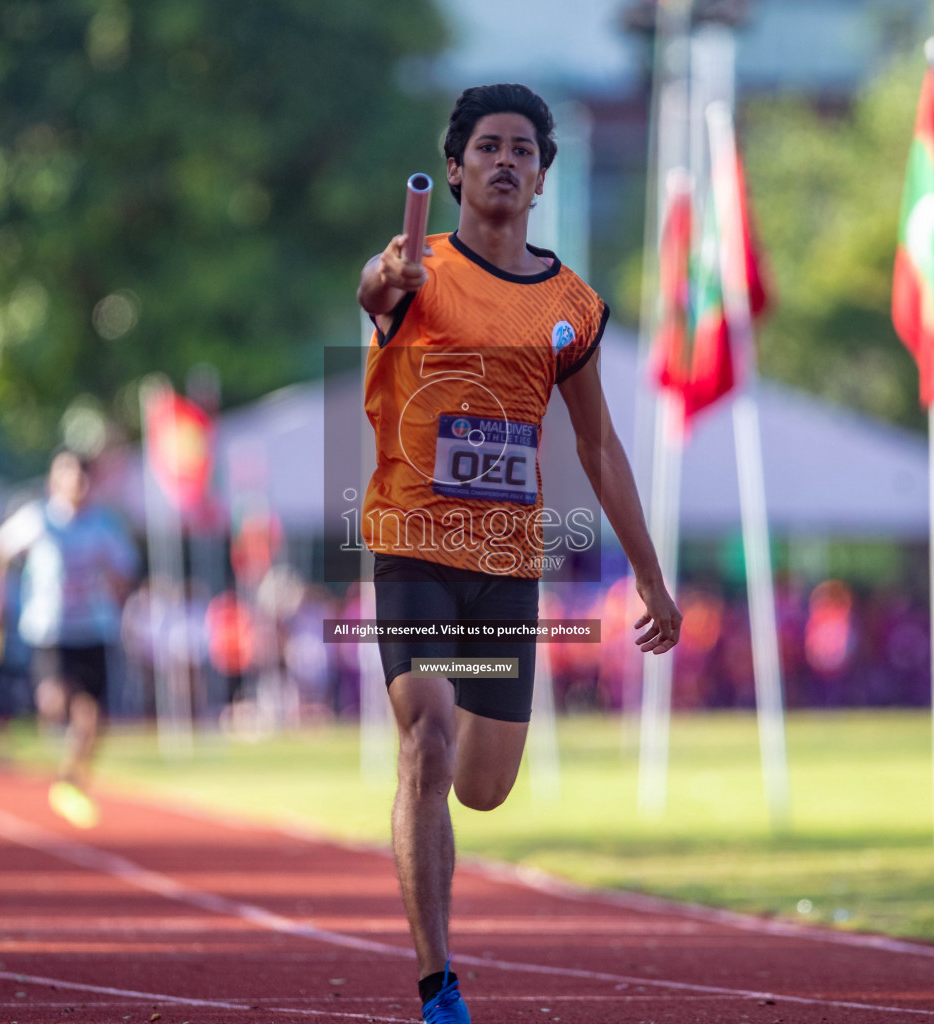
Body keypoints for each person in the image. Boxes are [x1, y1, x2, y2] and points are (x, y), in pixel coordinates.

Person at [355, 83, 681, 1024]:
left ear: (541, 177)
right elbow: (373, 288)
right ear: (453, 169)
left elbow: (600, 447)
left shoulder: (571, 306)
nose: (506, 160)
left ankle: (439, 828)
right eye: (488, 147)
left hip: (504, 565)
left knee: (484, 786)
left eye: (523, 150)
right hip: (413, 546)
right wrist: (386, 281)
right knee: (425, 741)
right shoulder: (414, 273)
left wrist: (650, 577)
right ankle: (438, 984)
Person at [0, 449, 138, 828]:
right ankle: (65, 765)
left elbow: (124, 569)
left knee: (92, 717)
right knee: (54, 702)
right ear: (54, 480)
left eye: (83, 476)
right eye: (69, 475)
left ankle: (70, 780)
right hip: (48, 629)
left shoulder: (103, 524)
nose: (77, 484)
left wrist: (119, 593)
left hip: (93, 628)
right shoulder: (38, 519)